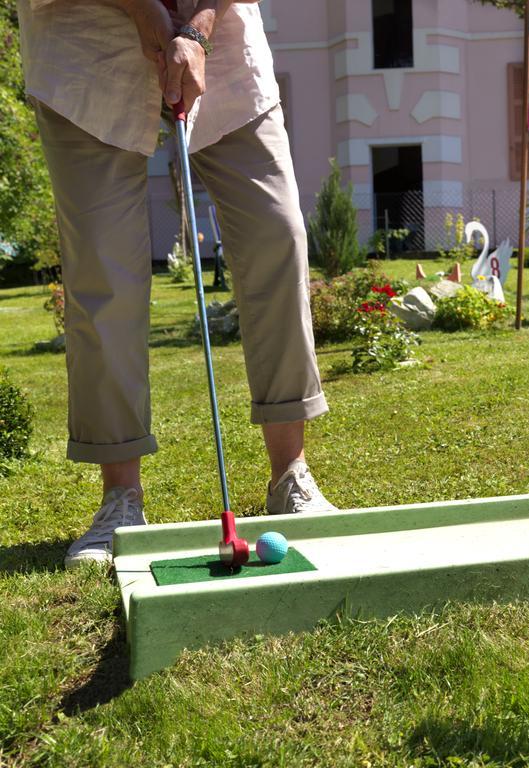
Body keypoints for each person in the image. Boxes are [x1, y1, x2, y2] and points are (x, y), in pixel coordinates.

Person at [17, 0, 340, 569]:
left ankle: (290, 476)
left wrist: (197, 27)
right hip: (85, 51)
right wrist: (144, 11)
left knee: (278, 237)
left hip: (225, 53)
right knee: (103, 272)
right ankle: (121, 498)